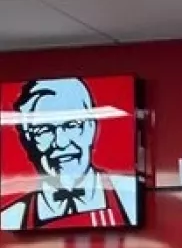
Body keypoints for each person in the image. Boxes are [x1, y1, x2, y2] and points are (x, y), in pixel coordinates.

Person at [0, 77, 137, 231]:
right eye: (44, 130)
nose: (61, 142)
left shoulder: (129, 198)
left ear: (91, 128)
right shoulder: (11, 218)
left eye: (72, 125)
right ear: (28, 139)